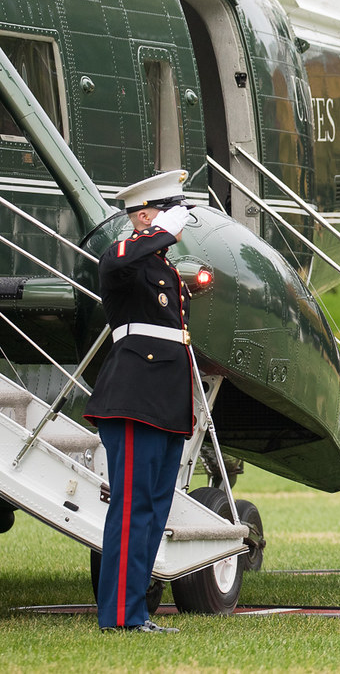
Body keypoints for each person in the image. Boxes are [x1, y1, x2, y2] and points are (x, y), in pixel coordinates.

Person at [84, 170, 195, 633]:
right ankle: (120, 616)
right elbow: (120, 260)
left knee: (153, 508)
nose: (180, 223)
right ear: (146, 216)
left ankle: (136, 612)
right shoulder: (124, 256)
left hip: (165, 399)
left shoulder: (163, 268)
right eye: (171, 212)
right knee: (132, 507)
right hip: (133, 396)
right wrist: (161, 231)